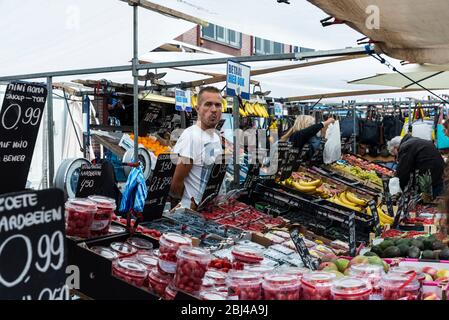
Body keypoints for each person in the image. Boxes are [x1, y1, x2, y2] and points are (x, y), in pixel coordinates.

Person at [169, 86, 223, 209]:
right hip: (191, 214)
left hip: (207, 211)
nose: (214, 109)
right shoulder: (191, 137)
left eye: (218, 105)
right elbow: (175, 183)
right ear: (197, 109)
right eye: (208, 104)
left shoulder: (215, 136)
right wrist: (188, 204)